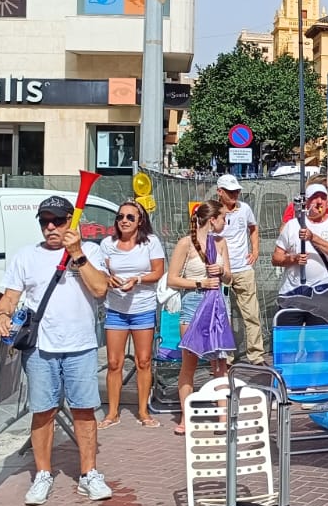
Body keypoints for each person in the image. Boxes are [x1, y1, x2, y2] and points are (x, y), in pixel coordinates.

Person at [0, 195, 114, 504]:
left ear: (71, 222)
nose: (50, 227)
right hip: (41, 348)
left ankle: (89, 474)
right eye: (45, 221)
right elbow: (9, 295)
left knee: (84, 411)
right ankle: (43, 473)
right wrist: (1, 314)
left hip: (81, 345)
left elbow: (100, 289)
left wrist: (77, 254)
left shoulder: (91, 251)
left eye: (58, 221)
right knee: (42, 411)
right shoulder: (26, 256)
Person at [98, 199, 165, 429]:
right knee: (114, 362)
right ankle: (112, 413)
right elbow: (101, 272)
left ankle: (143, 411)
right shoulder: (107, 243)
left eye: (129, 217)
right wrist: (109, 279)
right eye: (120, 217)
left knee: (143, 361)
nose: (124, 221)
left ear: (140, 221)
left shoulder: (151, 242)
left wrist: (138, 279)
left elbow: (158, 272)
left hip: (143, 307)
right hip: (116, 308)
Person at [168, 201, 232, 435]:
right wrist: (200, 282)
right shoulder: (186, 244)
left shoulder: (221, 243)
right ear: (212, 219)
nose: (225, 222)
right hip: (194, 303)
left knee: (220, 365)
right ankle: (186, 416)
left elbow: (229, 278)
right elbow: (172, 280)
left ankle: (223, 417)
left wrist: (222, 272)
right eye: (223, 217)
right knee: (190, 363)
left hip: (217, 305)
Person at [214, 174, 264, 366]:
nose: (235, 194)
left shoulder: (245, 209)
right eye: (230, 191)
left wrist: (255, 250)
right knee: (222, 315)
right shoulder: (213, 211)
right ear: (220, 192)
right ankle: (224, 357)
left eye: (236, 191)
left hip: (243, 268)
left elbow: (253, 227)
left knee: (251, 313)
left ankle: (256, 356)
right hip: (220, 271)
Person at [273, 184, 328, 295]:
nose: (319, 201)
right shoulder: (292, 225)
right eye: (314, 198)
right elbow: (276, 258)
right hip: (293, 290)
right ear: (306, 202)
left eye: (323, 198)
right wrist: (293, 259)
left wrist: (312, 237)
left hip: (323, 291)